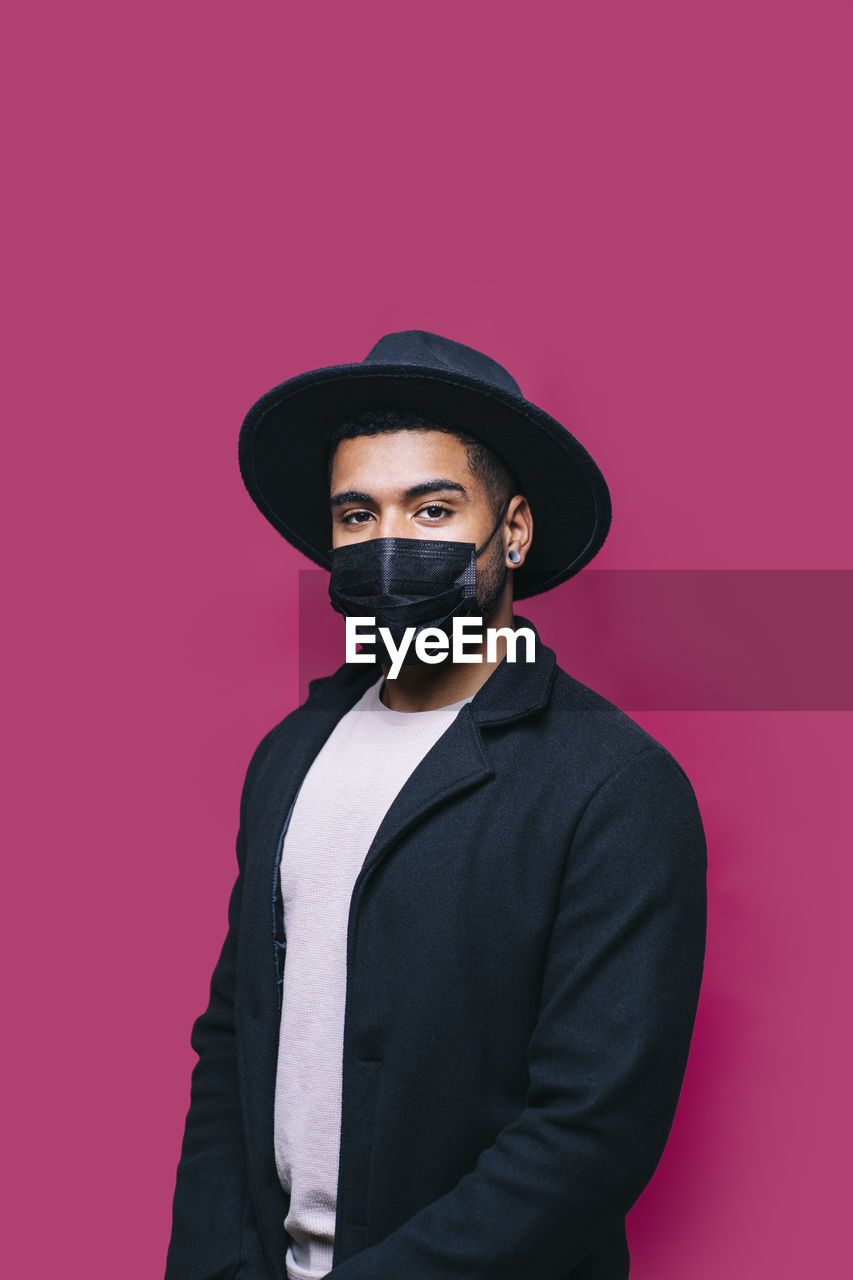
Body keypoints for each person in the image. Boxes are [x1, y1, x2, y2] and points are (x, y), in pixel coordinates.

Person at [165, 330, 707, 1280]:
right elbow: (233, 1040)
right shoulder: (291, 755)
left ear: (514, 530)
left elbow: (588, 1137)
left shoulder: (617, 786)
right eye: (355, 514)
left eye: (432, 508)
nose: (388, 543)